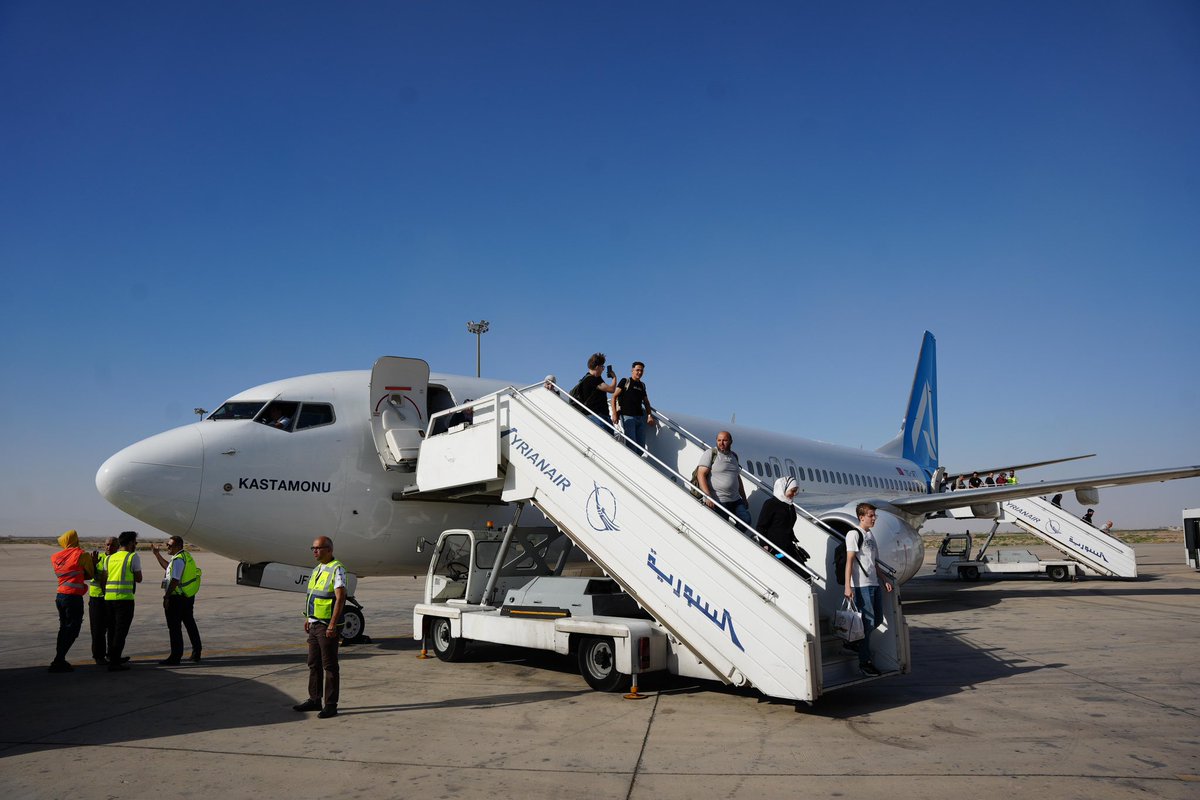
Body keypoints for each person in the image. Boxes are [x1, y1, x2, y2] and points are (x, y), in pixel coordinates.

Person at [294, 536, 347, 719]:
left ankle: (331, 705)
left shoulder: (337, 569)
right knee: (313, 663)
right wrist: (309, 618)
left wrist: (332, 624)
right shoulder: (317, 569)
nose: (315, 551)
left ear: (329, 550)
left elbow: (340, 598)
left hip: (327, 627)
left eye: (318, 548)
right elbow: (314, 596)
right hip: (315, 623)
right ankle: (315, 699)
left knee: (330, 666)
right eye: (313, 548)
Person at [843, 503, 894, 677]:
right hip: (861, 585)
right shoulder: (853, 534)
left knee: (877, 620)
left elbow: (874, 562)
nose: (874, 519)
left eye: (875, 516)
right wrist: (848, 586)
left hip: (874, 583)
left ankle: (856, 643)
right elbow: (849, 561)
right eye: (871, 515)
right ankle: (864, 662)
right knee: (868, 623)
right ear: (861, 517)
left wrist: (884, 578)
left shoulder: (870, 535)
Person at [152, 536, 203, 665]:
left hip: (177, 598)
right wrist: (157, 555)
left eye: (170, 545)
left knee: (174, 628)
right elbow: (168, 567)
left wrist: (167, 596)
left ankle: (175, 656)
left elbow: (175, 580)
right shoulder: (184, 556)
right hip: (187, 596)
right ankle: (197, 652)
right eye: (167, 545)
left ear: (178, 546)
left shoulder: (178, 560)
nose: (167, 547)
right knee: (190, 624)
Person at [49, 529, 95, 673]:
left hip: (60, 596)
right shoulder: (81, 555)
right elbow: (90, 574)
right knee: (73, 629)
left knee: (63, 628)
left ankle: (59, 658)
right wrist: (93, 562)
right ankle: (59, 660)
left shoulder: (55, 557)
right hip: (73, 597)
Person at [104, 530, 143, 672]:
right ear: (131, 542)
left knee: (112, 630)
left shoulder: (109, 558)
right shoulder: (133, 557)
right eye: (135, 542)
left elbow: (105, 577)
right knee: (121, 632)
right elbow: (139, 578)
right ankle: (114, 662)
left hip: (108, 599)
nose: (136, 545)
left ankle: (113, 656)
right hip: (124, 599)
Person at [695, 431, 752, 527]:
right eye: (719, 440)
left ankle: (735, 537)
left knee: (746, 520)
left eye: (725, 440)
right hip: (719, 500)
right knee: (723, 526)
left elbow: (737, 477)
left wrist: (744, 498)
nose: (721, 443)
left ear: (730, 442)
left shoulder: (734, 456)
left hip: (735, 499)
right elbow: (700, 475)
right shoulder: (711, 454)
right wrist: (708, 496)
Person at [755, 476, 810, 571]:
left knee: (804, 573)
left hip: (788, 547)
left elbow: (787, 526)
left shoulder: (790, 505)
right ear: (784, 488)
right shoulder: (771, 504)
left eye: (795, 491)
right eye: (792, 491)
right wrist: (765, 544)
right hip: (775, 549)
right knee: (784, 569)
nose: (794, 494)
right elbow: (761, 526)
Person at [611, 361, 656, 451]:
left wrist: (649, 415)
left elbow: (646, 402)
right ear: (632, 370)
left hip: (640, 418)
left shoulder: (642, 385)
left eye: (641, 371)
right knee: (632, 446)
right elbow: (614, 397)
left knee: (641, 448)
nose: (639, 372)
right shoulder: (625, 381)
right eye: (637, 370)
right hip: (627, 417)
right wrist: (614, 413)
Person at [88, 536, 118, 665]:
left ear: (117, 546)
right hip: (97, 598)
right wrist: (93, 565)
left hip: (112, 598)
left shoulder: (118, 559)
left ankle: (113, 655)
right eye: (107, 545)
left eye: (112, 545)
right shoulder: (99, 559)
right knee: (98, 630)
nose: (108, 547)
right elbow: (88, 575)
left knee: (113, 629)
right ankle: (98, 656)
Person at [569, 353, 619, 429]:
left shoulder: (595, 378)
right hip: (596, 416)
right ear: (597, 367)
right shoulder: (591, 379)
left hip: (602, 415)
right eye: (602, 367)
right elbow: (611, 389)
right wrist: (614, 377)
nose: (603, 369)